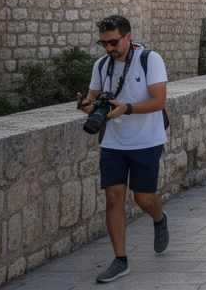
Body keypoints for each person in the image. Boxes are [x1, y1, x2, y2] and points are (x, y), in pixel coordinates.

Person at [77, 15, 170, 284]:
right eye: (103, 43)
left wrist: (127, 108)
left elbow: (159, 101)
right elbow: (93, 98)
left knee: (143, 198)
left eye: (113, 42)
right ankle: (120, 260)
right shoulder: (101, 65)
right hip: (113, 142)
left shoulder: (150, 60)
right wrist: (87, 105)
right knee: (114, 197)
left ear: (128, 36)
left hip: (146, 141)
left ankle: (158, 217)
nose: (108, 48)